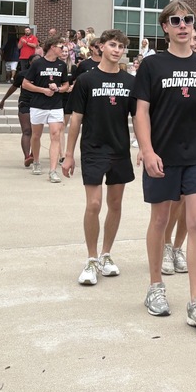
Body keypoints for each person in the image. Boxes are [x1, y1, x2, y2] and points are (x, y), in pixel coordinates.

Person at [133, 1, 196, 332]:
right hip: (163, 154)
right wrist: (147, 150)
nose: (183, 25)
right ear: (165, 27)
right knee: (160, 219)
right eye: (176, 21)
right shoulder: (152, 65)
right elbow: (141, 112)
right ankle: (155, 287)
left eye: (188, 19)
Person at [62, 30, 136, 284]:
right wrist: (68, 155)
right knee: (93, 204)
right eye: (112, 45)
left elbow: (138, 117)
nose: (117, 50)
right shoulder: (86, 80)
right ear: (101, 47)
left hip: (120, 150)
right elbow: (76, 120)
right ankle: (91, 258)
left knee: (115, 204)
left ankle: (106, 255)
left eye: (121, 47)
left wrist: (145, 148)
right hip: (93, 149)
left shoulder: (130, 82)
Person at [22, 36, 72, 182]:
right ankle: (36, 162)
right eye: (60, 47)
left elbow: (66, 85)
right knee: (36, 135)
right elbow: (25, 84)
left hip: (56, 105)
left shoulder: (61, 65)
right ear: (52, 47)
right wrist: (43, 90)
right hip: (38, 105)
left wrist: (58, 89)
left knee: (55, 135)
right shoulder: (38, 64)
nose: (63, 50)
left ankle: (53, 171)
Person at [0, 63, 35, 167]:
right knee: (26, 131)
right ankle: (27, 156)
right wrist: (3, 99)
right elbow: (13, 87)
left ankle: (34, 154)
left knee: (36, 133)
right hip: (25, 103)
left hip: (39, 105)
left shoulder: (43, 75)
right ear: (30, 63)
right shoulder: (22, 74)